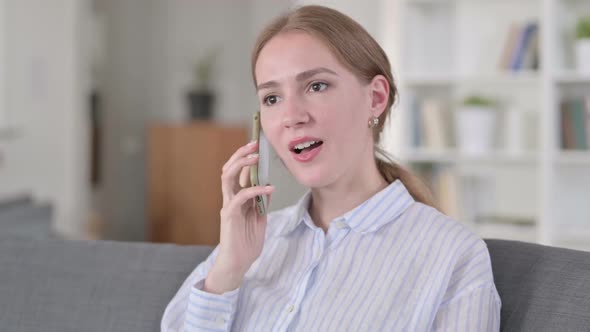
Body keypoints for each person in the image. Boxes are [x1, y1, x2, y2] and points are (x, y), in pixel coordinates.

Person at [161, 5, 501, 331]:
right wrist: (228, 273)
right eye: (272, 98)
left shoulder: (453, 256)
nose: (292, 116)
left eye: (316, 86)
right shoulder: (246, 245)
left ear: (376, 98)